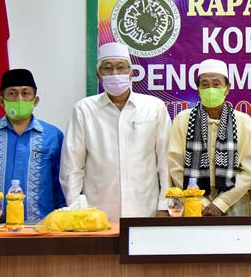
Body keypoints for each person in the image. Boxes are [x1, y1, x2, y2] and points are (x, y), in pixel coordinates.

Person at [60, 42, 170, 220]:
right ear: (98, 74)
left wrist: (164, 206)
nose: (115, 73)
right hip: (95, 214)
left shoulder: (153, 107)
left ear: (131, 73)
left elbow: (165, 162)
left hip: (145, 211)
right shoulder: (84, 109)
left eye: (121, 67)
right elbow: (71, 167)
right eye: (107, 68)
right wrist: (76, 210)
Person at [0, 69, 65, 221]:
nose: (19, 98)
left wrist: (64, 217)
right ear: (1, 101)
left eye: (26, 93)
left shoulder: (53, 135)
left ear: (35, 101)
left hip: (40, 226)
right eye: (12, 93)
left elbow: (60, 181)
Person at [167, 59, 251, 216]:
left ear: (227, 88)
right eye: (205, 84)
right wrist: (200, 201)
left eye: (216, 84)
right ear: (198, 88)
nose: (210, 89)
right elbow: (176, 167)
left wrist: (221, 203)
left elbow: (248, 171)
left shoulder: (244, 122)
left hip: (234, 202)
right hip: (192, 202)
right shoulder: (183, 120)